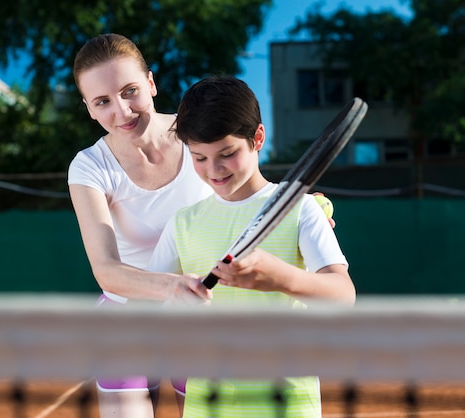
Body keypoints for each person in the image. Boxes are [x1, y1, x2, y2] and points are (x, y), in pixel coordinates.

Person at [147, 75, 356, 417]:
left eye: (227, 154)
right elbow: (149, 311)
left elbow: (343, 296)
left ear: (258, 137)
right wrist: (175, 299)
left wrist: (280, 278)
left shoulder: (301, 209)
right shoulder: (182, 223)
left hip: (286, 403)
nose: (213, 170)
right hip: (207, 404)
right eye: (199, 157)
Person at [67, 33, 213, 418]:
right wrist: (176, 286)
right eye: (102, 101)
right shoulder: (89, 167)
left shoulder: (199, 133)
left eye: (130, 90)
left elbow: (247, 197)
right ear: (89, 109)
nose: (122, 111)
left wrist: (298, 210)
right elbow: (106, 270)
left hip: (199, 322)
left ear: (150, 83)